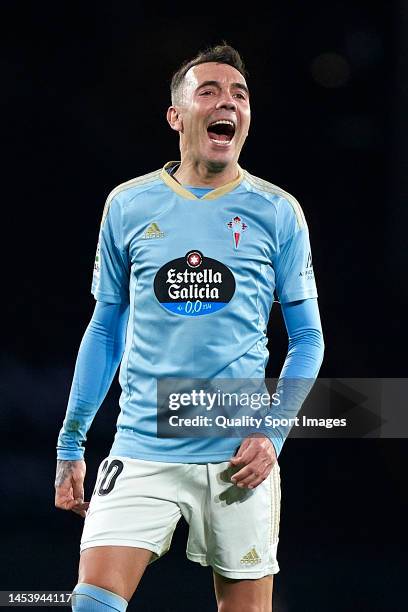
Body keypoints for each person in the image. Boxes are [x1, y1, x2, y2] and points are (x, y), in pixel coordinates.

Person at [55, 43, 324, 612]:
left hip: (236, 456)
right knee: (90, 603)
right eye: (209, 91)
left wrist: (270, 436)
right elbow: (105, 328)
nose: (227, 101)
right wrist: (71, 441)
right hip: (141, 447)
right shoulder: (128, 205)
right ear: (177, 115)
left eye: (239, 95)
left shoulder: (277, 211)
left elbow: (308, 340)